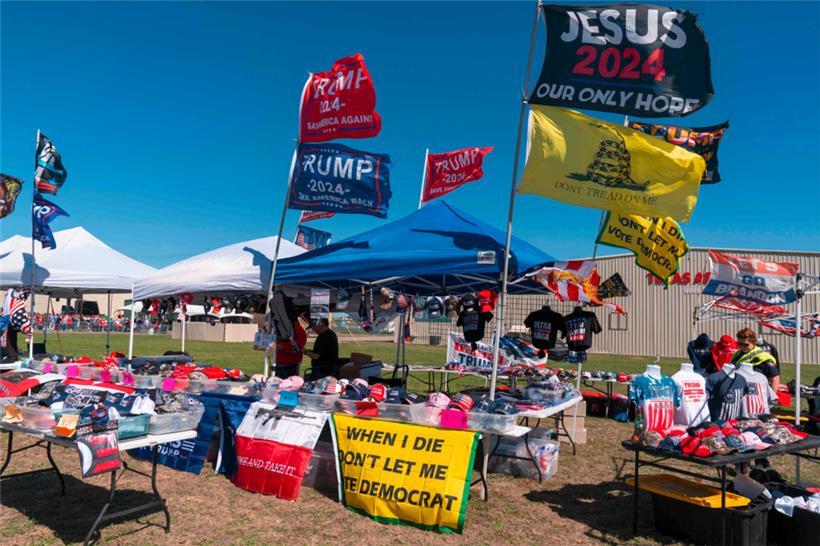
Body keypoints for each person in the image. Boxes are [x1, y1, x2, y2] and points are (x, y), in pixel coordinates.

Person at [273, 313, 307, 379]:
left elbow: (298, 347)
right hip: (278, 362)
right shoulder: (279, 327)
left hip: (289, 364)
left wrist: (281, 347)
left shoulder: (297, 329)